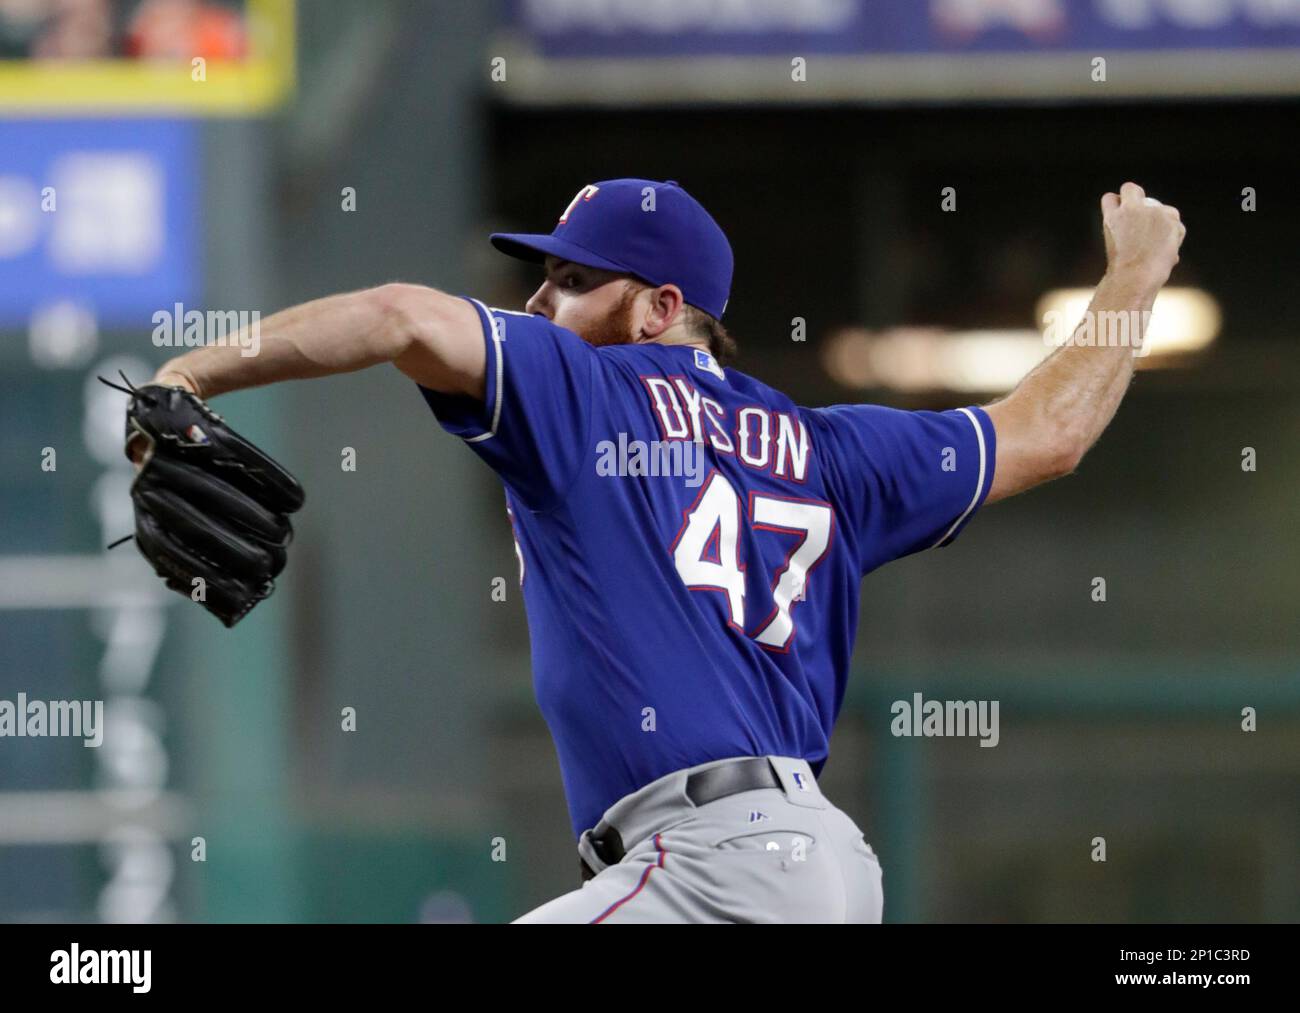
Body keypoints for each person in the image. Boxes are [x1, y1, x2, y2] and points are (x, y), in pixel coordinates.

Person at [141, 177, 1185, 923]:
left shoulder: (586, 389)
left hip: (710, 871)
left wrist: (192, 373)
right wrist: (1135, 271)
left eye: (567, 279)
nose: (539, 304)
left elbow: (394, 314)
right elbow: (1049, 431)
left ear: (658, 308)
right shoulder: (836, 453)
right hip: (813, 869)